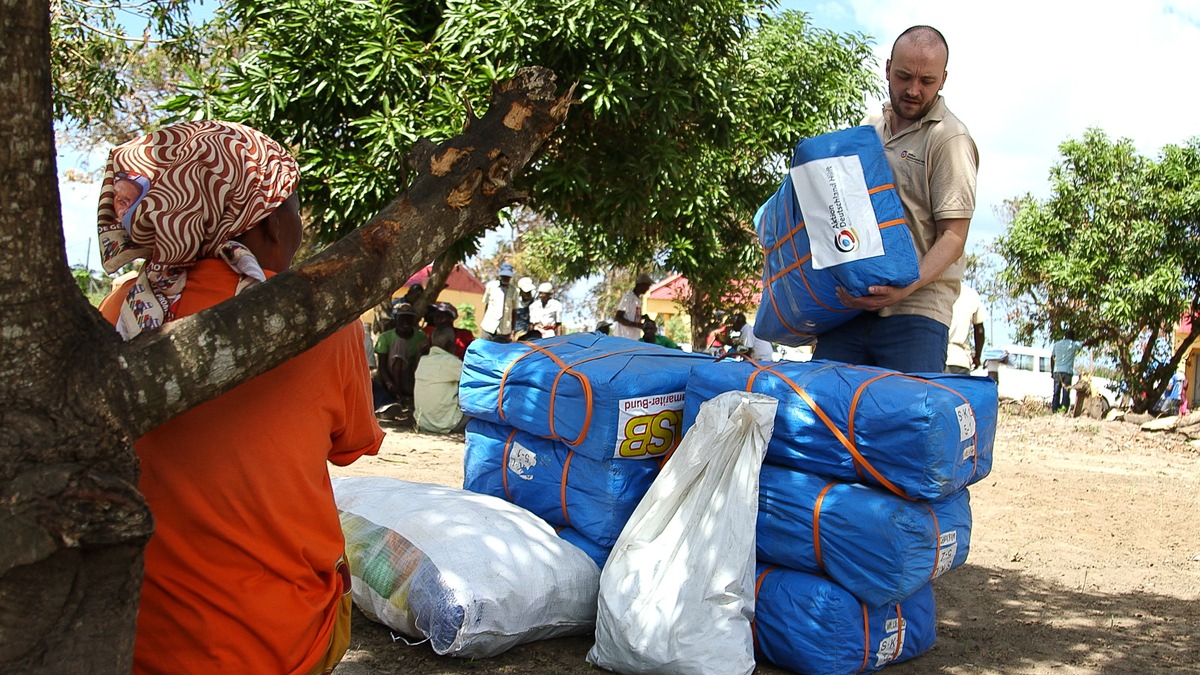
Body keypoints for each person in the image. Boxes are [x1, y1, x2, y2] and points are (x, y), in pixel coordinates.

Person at [95, 120, 383, 674]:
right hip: (280, 640)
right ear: (267, 223)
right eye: (292, 204)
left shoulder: (123, 311)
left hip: (138, 638)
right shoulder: (318, 317)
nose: (299, 223)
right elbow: (350, 444)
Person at [812, 25, 978, 373]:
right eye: (903, 76)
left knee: (902, 421)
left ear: (943, 80)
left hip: (916, 313)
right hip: (852, 307)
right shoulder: (870, 126)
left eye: (927, 81)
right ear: (888, 69)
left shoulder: (950, 139)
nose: (914, 90)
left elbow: (954, 238)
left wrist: (903, 289)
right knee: (822, 413)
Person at [414, 326, 468, 433]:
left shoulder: (423, 361)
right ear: (449, 344)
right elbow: (474, 379)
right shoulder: (451, 362)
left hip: (422, 422)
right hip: (446, 424)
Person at [375, 302, 427, 401]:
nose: (406, 322)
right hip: (391, 377)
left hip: (411, 377)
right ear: (396, 320)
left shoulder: (421, 337)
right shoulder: (385, 337)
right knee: (400, 343)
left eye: (409, 318)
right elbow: (382, 365)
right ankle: (397, 392)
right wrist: (389, 383)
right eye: (402, 318)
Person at [945, 283, 987, 374]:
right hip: (961, 360)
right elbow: (980, 330)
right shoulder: (971, 294)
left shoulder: (937, 290)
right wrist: (977, 357)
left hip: (938, 356)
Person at [480, 262, 518, 342]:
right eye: (504, 276)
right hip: (488, 328)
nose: (505, 278)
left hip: (504, 331)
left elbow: (514, 311)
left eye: (507, 277)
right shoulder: (491, 286)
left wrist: (512, 331)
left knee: (501, 353)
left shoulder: (514, 291)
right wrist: (486, 321)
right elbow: (487, 306)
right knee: (484, 351)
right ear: (500, 276)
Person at [1050, 329, 1084, 413]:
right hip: (1067, 371)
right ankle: (1063, 409)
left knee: (1056, 392)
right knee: (1066, 391)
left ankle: (1055, 409)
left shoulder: (1057, 344)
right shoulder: (1073, 345)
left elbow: (1052, 358)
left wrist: (1052, 371)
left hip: (1057, 371)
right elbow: (1083, 343)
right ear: (1073, 337)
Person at [613, 273, 653, 339]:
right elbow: (618, 317)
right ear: (641, 285)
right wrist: (638, 325)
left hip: (633, 337)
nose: (648, 288)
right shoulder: (628, 297)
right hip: (624, 337)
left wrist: (643, 317)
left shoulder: (638, 300)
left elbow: (632, 317)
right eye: (647, 286)